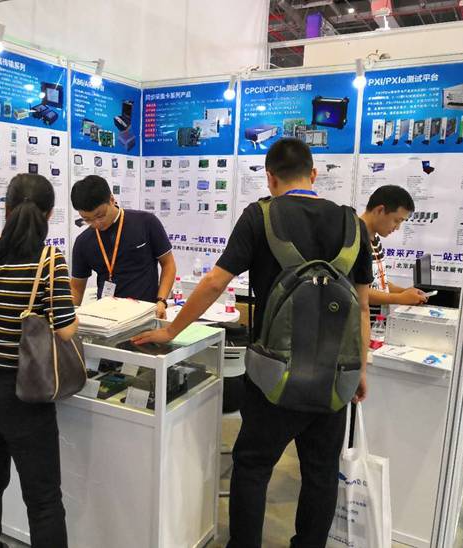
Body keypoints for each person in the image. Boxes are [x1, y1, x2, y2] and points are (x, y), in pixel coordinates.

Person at [132, 138, 373, 548]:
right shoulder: (353, 224)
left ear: (270, 177)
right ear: (314, 174)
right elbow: (363, 307)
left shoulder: (260, 216)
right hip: (335, 376)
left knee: (253, 466)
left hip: (273, 375)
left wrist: (170, 331)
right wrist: (360, 368)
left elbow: (215, 282)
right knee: (320, 472)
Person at [0, 174, 77, 548]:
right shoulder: (48, 260)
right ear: (50, 214)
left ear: (5, 208)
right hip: (23, 394)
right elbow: (66, 330)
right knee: (43, 498)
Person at [70, 175, 176, 318]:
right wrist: (67, 318)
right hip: (106, 319)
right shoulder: (83, 242)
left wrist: (161, 301)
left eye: (100, 216)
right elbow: (76, 287)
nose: (96, 224)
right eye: (87, 219)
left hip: (145, 314)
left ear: (111, 200)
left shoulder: (146, 223)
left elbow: (168, 264)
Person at [361, 185, 427, 324]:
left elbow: (378, 283)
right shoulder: (354, 239)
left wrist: (404, 292)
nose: (397, 227)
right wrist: (399, 298)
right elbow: (356, 291)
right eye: (396, 220)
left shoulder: (374, 238)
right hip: (358, 325)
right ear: (380, 210)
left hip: (376, 324)